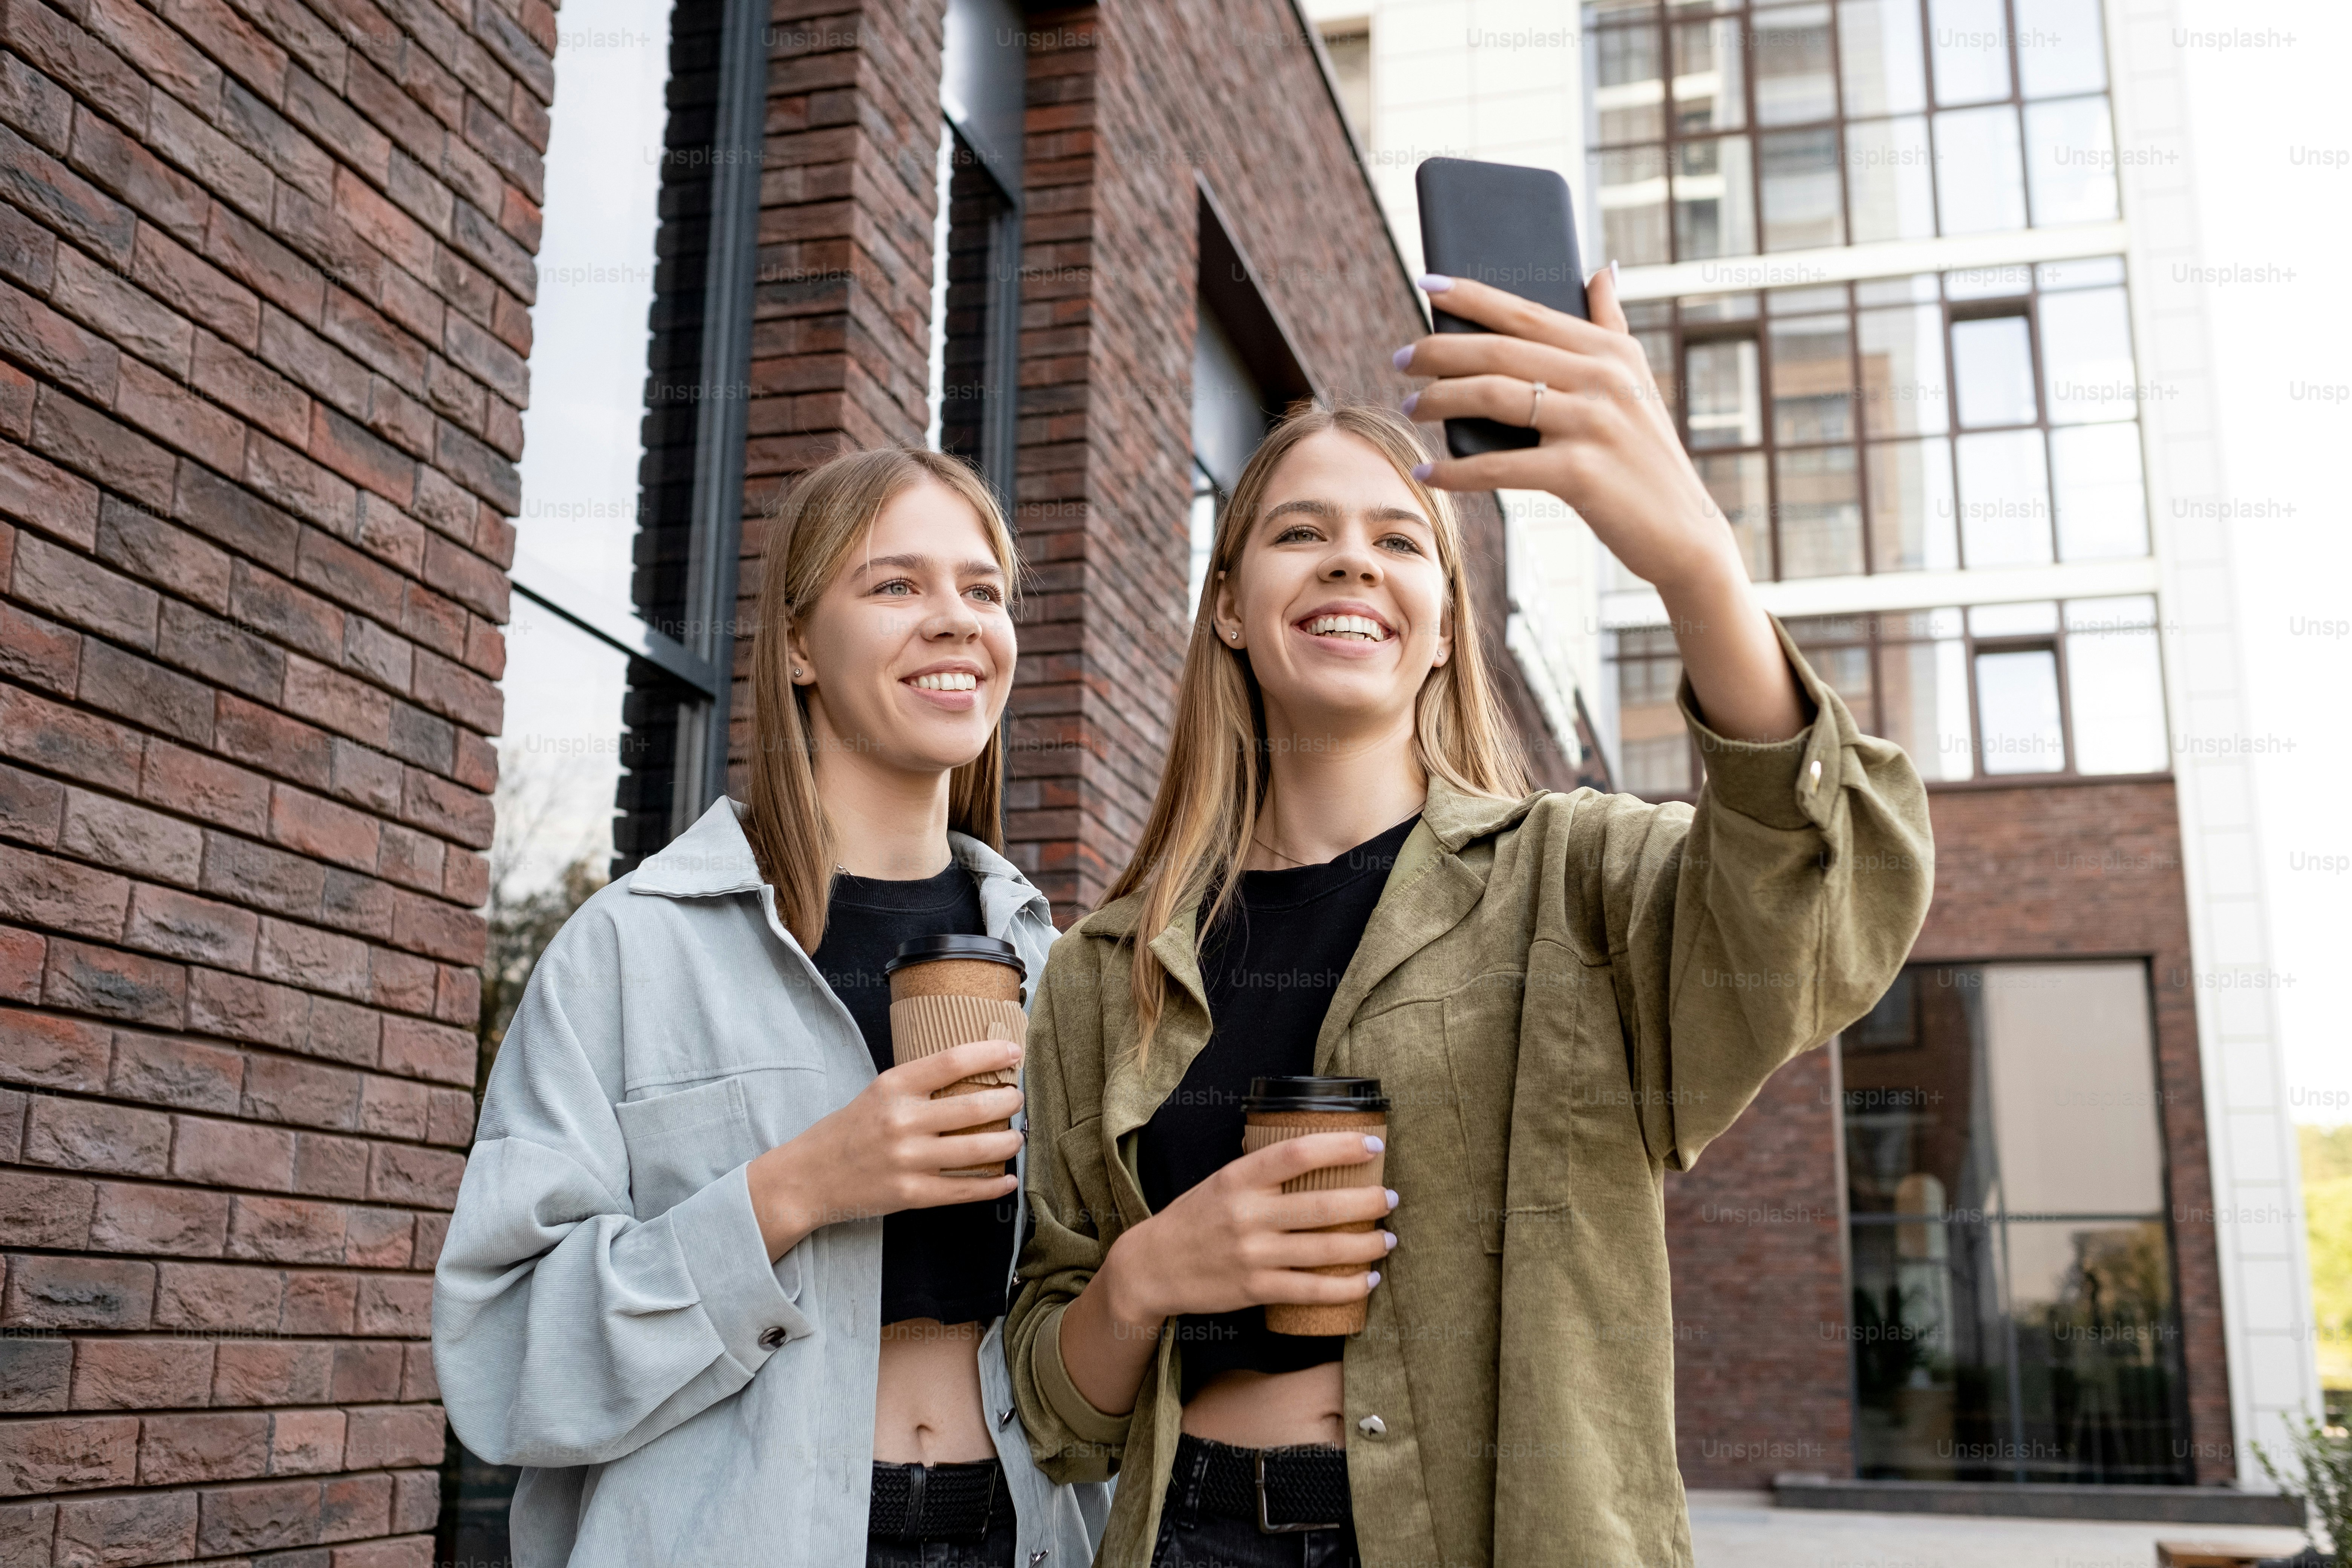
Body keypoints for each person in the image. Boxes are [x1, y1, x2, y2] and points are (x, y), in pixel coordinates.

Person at [1005, 269, 1935, 1566]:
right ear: (1227, 607)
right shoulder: (1104, 974)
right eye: (1300, 533)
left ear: (1443, 627)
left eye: (1400, 540)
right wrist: (1152, 1274)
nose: (1352, 559)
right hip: (1191, 1533)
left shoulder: (1579, 884)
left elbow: (1826, 906)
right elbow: (1057, 1415)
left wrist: (1694, 561)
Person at [433, 448, 1106, 1567]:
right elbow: (503, 1365)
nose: (955, 620)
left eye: (982, 590)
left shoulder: (1066, 971)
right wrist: (797, 1189)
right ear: (798, 644)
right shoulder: (634, 950)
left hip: (1022, 1537)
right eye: (896, 586)